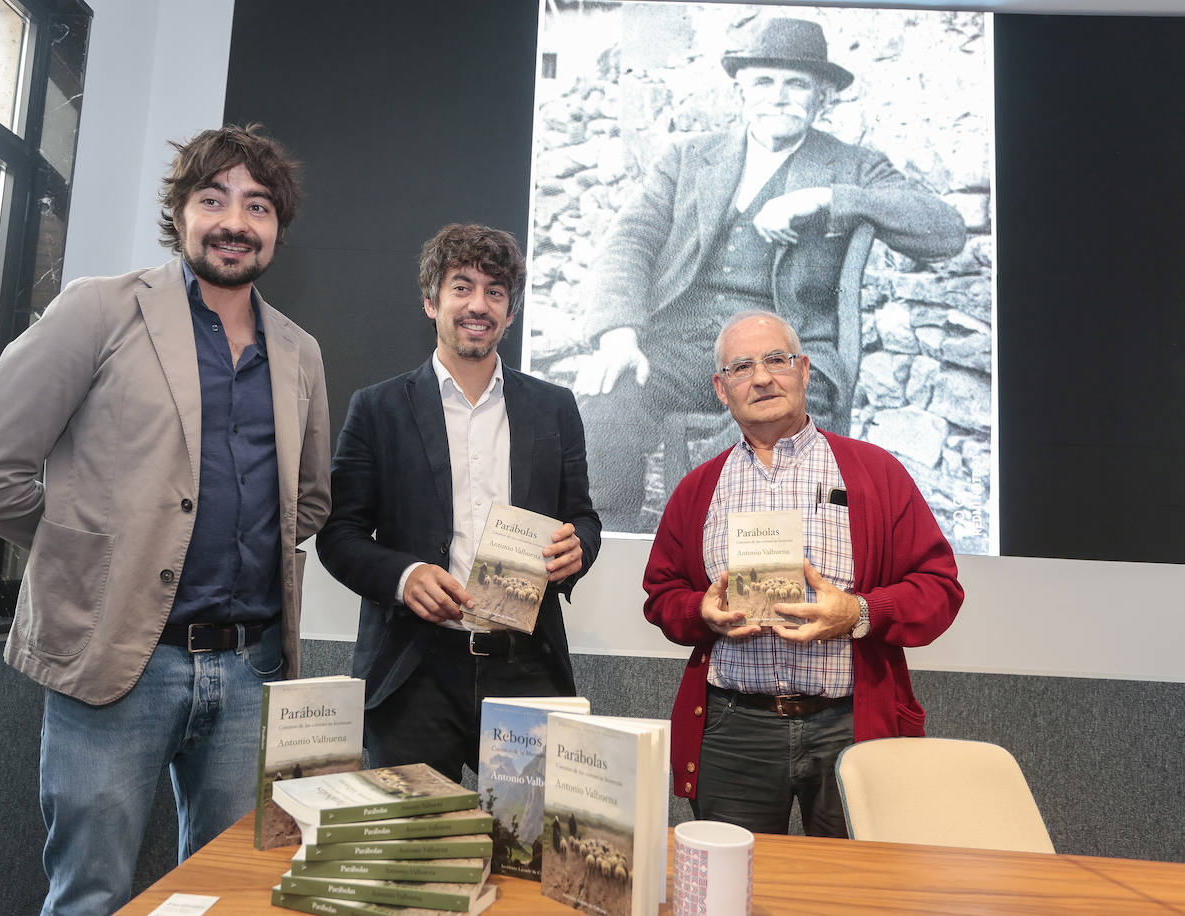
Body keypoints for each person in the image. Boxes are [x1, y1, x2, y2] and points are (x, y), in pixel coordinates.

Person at [0, 124, 330, 914]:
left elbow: (310, 502)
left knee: (232, 897)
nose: (236, 220)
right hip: (116, 664)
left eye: (257, 206)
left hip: (251, 668)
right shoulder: (99, 310)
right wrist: (98, 556)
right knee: (90, 893)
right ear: (181, 213)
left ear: (277, 230)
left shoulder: (300, 351)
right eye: (213, 198)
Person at [575, 17, 967, 531]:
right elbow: (629, 241)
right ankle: (611, 545)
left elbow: (945, 231)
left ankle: (752, 582)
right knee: (606, 399)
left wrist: (824, 200)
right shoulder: (689, 157)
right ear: (741, 90)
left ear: (821, 98)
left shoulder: (850, 166)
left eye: (796, 84)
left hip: (786, 352)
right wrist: (619, 336)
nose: (777, 96)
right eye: (764, 81)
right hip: (683, 343)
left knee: (772, 460)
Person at [643, 310, 961, 836]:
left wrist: (858, 611)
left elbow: (940, 587)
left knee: (851, 894)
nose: (762, 377)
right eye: (741, 367)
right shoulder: (698, 487)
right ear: (721, 390)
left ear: (805, 370)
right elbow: (661, 594)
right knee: (734, 893)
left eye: (776, 359)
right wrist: (700, 612)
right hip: (733, 727)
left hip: (850, 727)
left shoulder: (876, 472)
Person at [316, 223, 601, 782]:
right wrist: (404, 576)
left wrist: (579, 550)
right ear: (430, 301)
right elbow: (339, 534)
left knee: (526, 853)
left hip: (525, 667)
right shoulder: (377, 409)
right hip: (412, 673)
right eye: (462, 286)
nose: (479, 305)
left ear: (511, 312)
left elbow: (583, 518)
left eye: (495, 292)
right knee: (416, 857)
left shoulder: (554, 408)